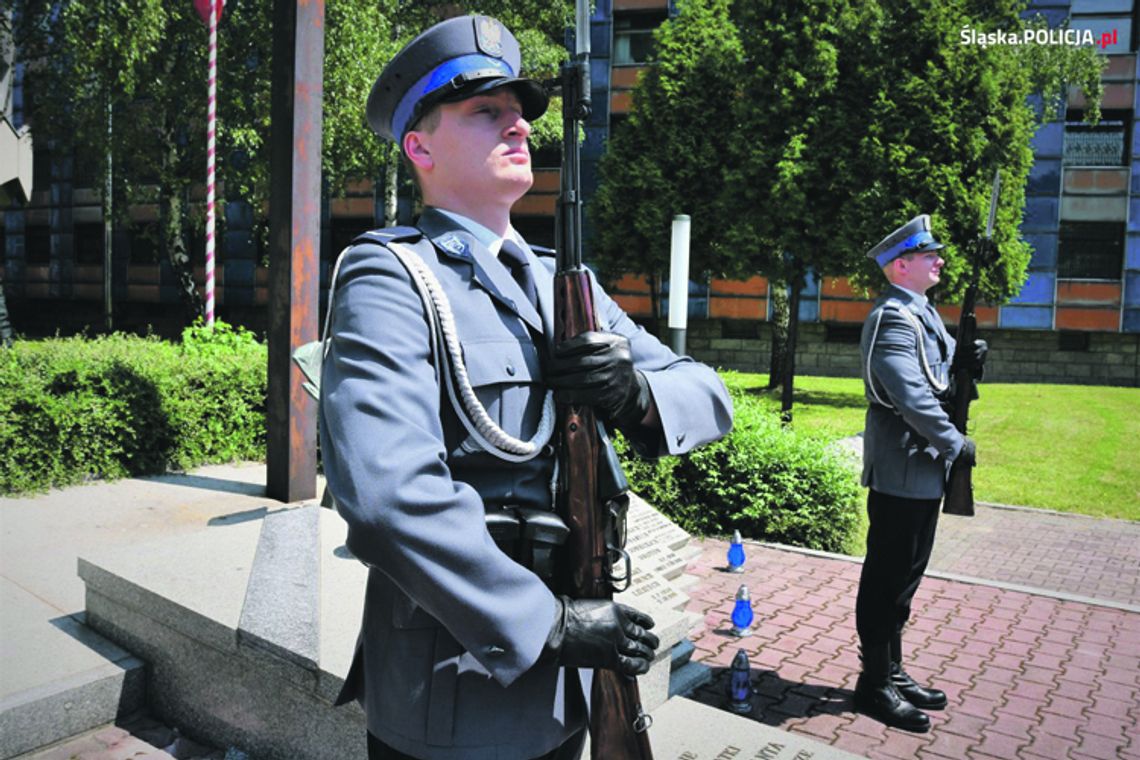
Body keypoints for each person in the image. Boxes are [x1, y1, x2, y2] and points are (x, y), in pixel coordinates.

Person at [318, 15, 733, 760]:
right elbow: (386, 496)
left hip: (570, 687)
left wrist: (634, 391)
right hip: (459, 680)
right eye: (487, 112)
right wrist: (550, 623)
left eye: (521, 114)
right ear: (420, 147)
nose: (518, 127)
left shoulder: (560, 283)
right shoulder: (391, 276)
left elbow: (708, 396)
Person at [855, 214, 986, 732]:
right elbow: (909, 395)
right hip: (903, 464)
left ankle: (893, 670)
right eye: (928, 254)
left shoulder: (922, 313)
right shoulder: (892, 317)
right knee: (887, 576)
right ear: (901, 264)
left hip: (923, 467)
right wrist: (955, 444)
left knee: (907, 577)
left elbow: (943, 378)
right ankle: (874, 685)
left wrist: (970, 360)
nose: (940, 260)